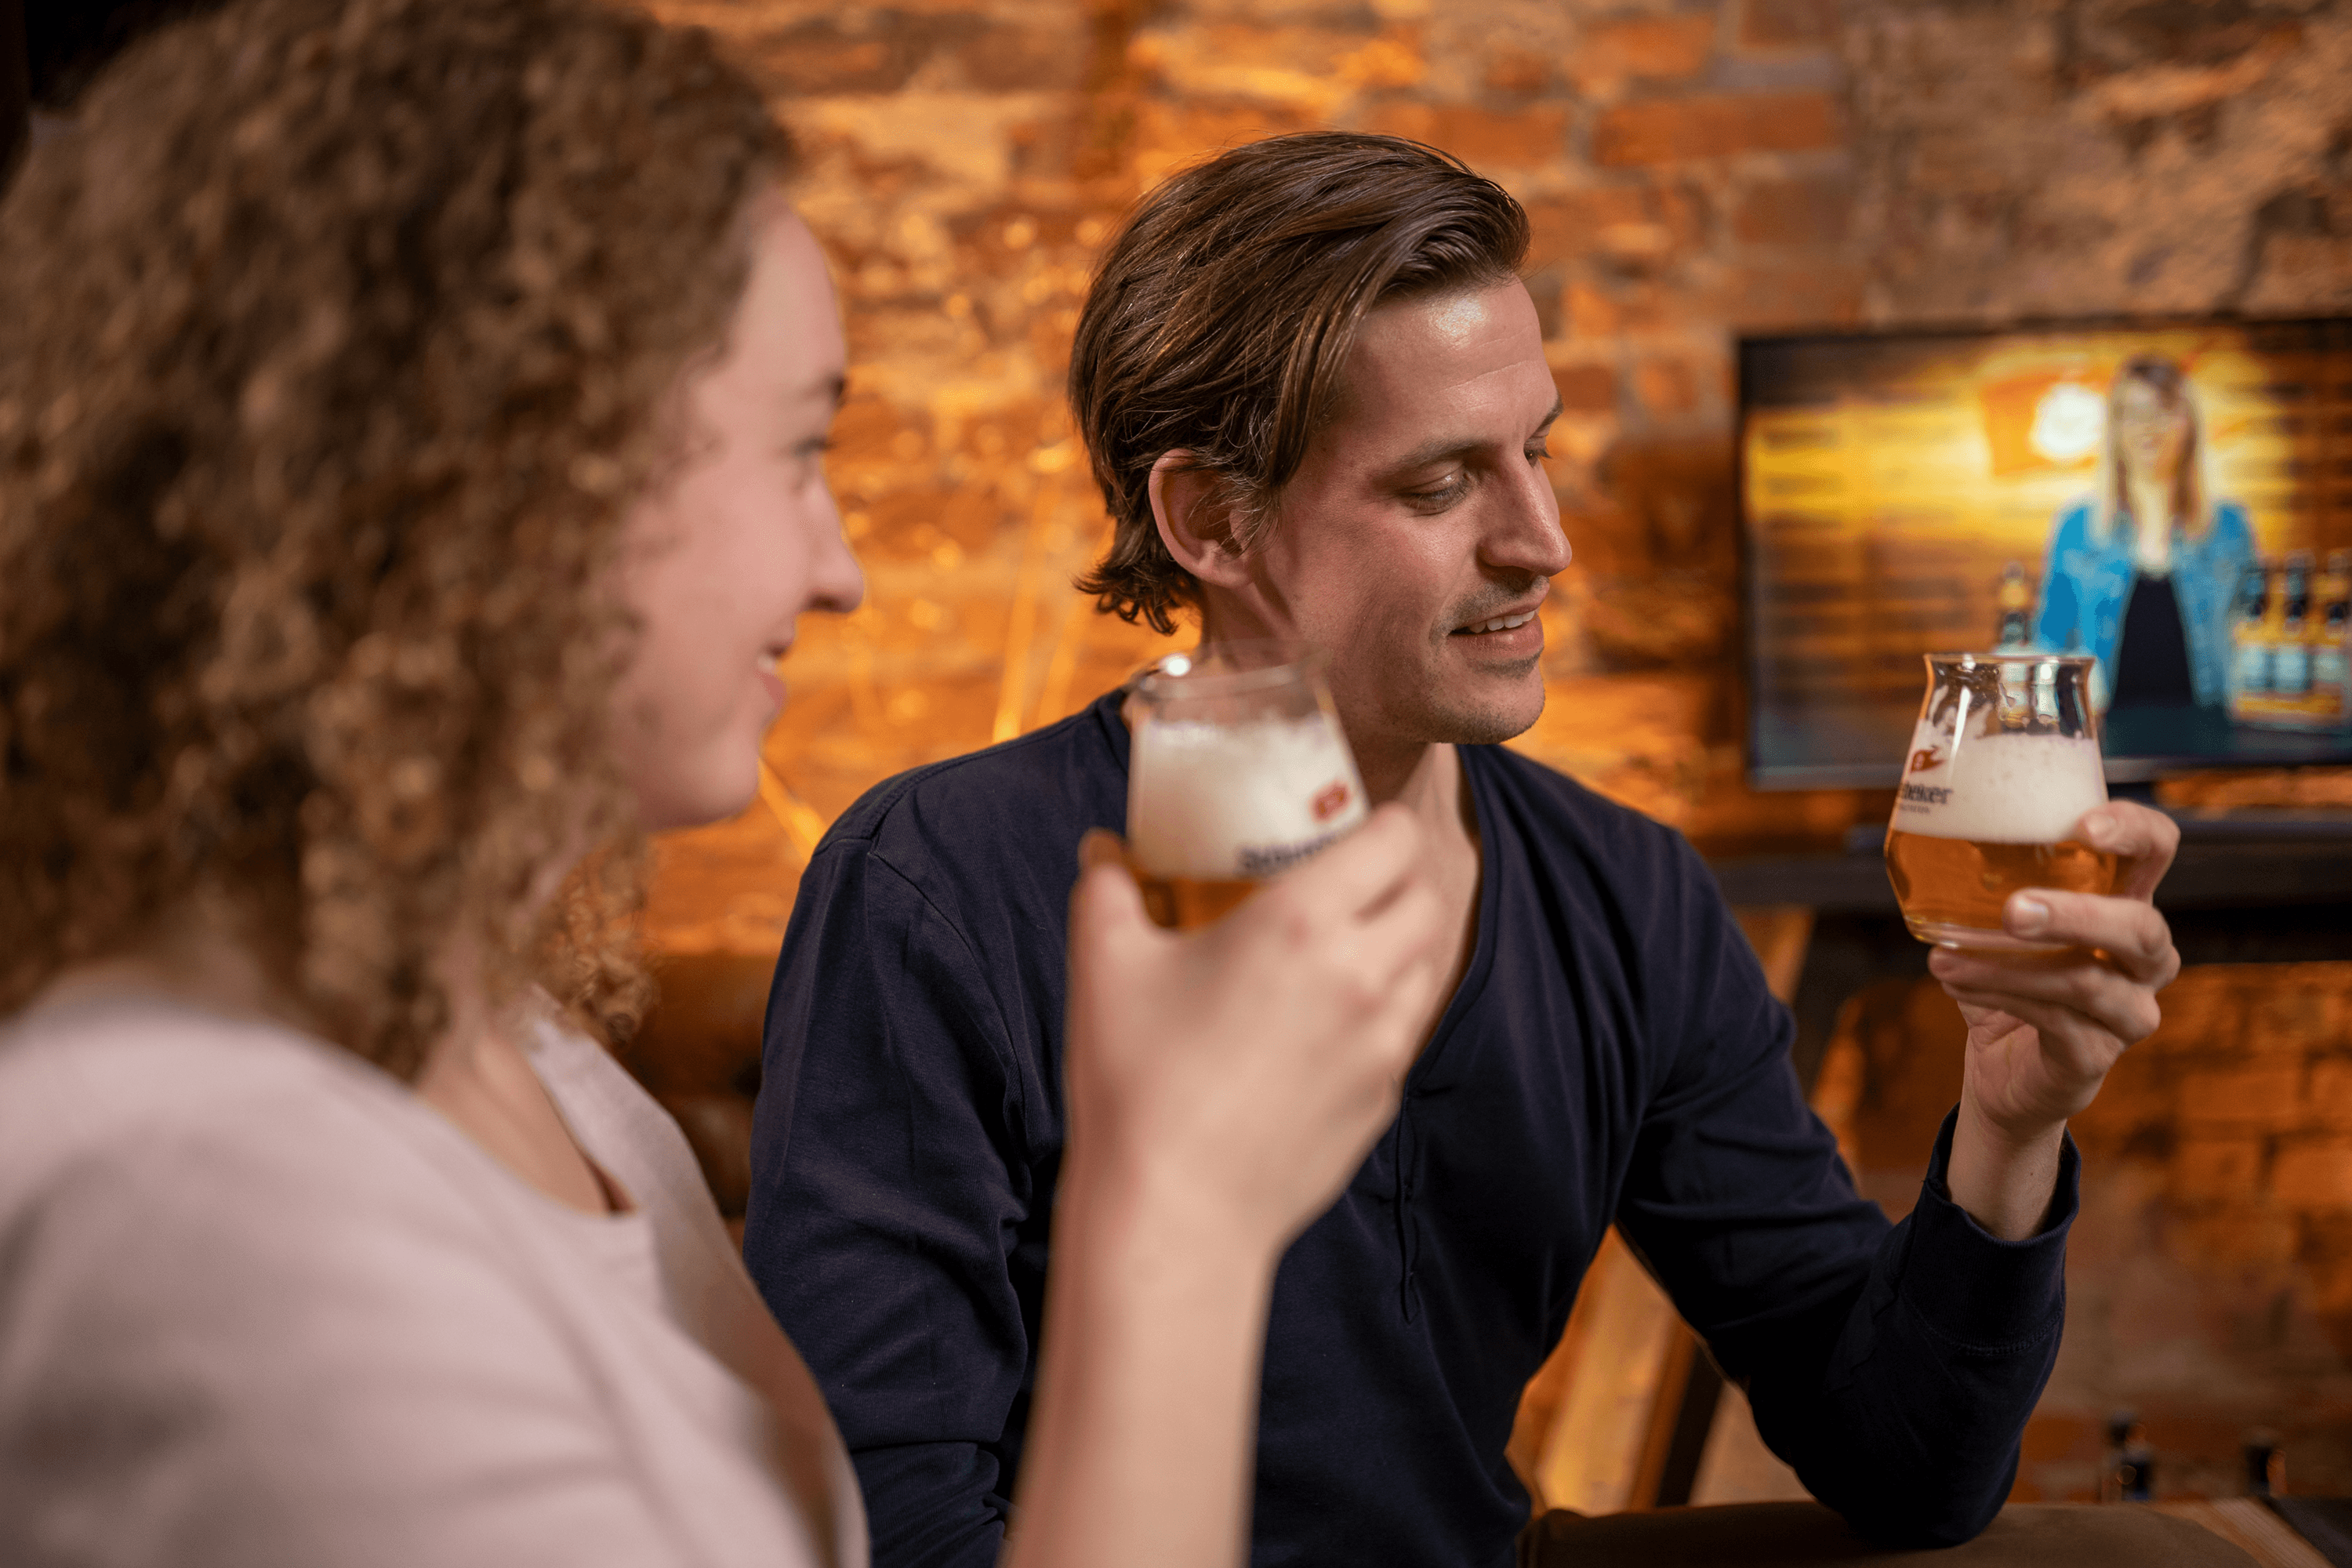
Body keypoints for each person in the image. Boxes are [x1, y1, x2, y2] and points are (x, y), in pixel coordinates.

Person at [0, 6, 1450, 1566]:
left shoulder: (527, 1058)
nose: (841, 571)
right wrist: (1182, 1211)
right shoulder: (206, 1204)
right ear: (513, 484)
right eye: (800, 451)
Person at [747, 133, 2191, 1568]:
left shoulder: (1627, 895)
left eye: (1536, 451)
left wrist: (2010, 1126)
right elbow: (889, 1530)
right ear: (1210, 520)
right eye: (1441, 485)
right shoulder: (938, 890)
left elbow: (1905, 1470)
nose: (1544, 541)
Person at [2034, 354, 2255, 716]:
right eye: (2132, 412)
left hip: (2211, 732)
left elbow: (2255, 634)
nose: (2147, 426)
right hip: (2105, 735)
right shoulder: (2076, 528)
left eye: (2163, 409)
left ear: (2190, 424)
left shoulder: (2230, 527)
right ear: (2115, 429)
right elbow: (2050, 640)